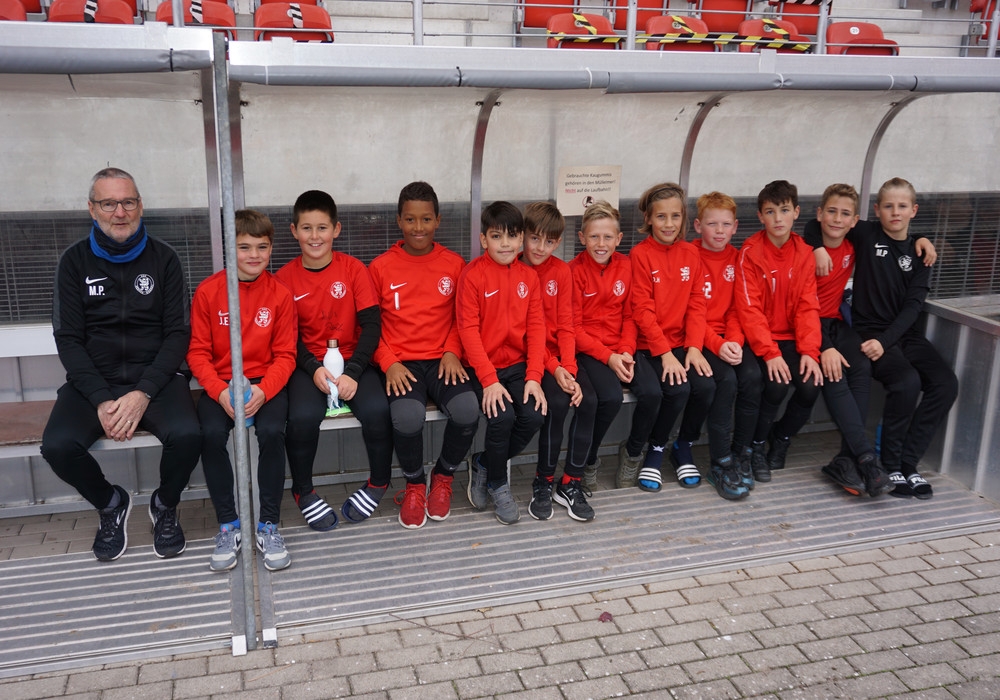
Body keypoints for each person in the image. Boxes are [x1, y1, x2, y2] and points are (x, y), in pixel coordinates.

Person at [41, 167, 201, 562]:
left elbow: (178, 334)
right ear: (92, 209)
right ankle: (110, 503)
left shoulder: (165, 259)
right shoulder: (73, 262)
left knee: (188, 435)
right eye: (109, 203)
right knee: (58, 446)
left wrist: (143, 392)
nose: (119, 212)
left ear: (140, 206)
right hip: (95, 382)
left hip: (156, 380)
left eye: (128, 202)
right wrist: (100, 398)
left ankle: (165, 505)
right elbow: (68, 339)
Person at [808, 178, 955, 500]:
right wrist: (818, 248)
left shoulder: (920, 253)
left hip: (901, 334)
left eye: (902, 206)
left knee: (946, 384)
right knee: (906, 382)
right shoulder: (867, 234)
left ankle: (908, 462)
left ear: (914, 210)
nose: (895, 212)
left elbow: (913, 307)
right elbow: (816, 223)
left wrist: (922, 238)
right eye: (888, 206)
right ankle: (889, 463)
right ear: (876, 210)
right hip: (868, 333)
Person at [275, 190, 392, 529]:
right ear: (294, 231)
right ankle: (303, 490)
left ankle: (379, 482)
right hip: (307, 366)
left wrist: (353, 371)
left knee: (377, 411)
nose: (315, 236)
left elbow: (371, 326)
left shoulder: (353, 270)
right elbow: (287, 337)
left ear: (336, 230)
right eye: (307, 228)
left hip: (354, 362)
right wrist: (313, 369)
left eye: (322, 228)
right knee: (302, 417)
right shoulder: (283, 279)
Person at [187, 209, 297, 572]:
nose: (254, 255)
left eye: (262, 247)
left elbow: (286, 354)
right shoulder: (209, 291)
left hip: (265, 383)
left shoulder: (280, 294)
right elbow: (198, 352)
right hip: (222, 384)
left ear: (271, 248)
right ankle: (228, 525)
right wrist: (219, 391)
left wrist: (264, 391)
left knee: (272, 431)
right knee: (210, 433)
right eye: (244, 247)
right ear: (229, 249)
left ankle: (268, 525)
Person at [369, 182, 480, 529]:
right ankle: (415, 484)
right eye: (410, 219)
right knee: (407, 417)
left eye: (426, 219)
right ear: (399, 221)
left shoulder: (454, 264)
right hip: (401, 364)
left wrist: (452, 350)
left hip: (443, 360)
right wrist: (389, 362)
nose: (418, 227)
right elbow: (369, 327)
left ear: (438, 221)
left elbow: (463, 318)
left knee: (468, 410)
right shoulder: (380, 267)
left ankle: (443, 476)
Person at [458, 201, 547, 525]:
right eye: (497, 236)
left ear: (521, 238)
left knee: (534, 415)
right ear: (484, 240)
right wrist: (489, 381)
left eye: (512, 236)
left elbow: (536, 328)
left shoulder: (529, 277)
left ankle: (484, 463)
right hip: (481, 368)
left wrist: (534, 376)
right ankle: (498, 483)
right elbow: (468, 331)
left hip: (517, 366)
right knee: (502, 416)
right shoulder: (472, 276)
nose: (506, 244)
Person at [735, 180, 823, 483]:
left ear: (796, 212)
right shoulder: (750, 252)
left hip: (793, 339)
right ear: (760, 216)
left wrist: (810, 352)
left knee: (811, 384)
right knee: (776, 384)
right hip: (760, 340)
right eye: (770, 212)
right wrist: (770, 353)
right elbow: (749, 310)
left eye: (784, 210)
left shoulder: (804, 253)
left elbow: (808, 307)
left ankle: (781, 437)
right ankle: (756, 447)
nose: (778, 218)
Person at [629, 182, 714, 493]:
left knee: (706, 386)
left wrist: (694, 347)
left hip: (681, 344)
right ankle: (656, 448)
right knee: (677, 390)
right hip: (648, 346)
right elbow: (641, 310)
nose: (668, 224)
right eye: (661, 216)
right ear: (649, 219)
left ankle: (684, 445)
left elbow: (697, 303)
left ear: (683, 218)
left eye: (675, 216)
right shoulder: (640, 254)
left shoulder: (691, 253)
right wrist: (665, 353)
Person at [571, 201, 660, 493]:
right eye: (594, 236)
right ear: (582, 238)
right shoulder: (573, 272)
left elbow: (630, 316)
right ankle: (589, 459)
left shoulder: (626, 266)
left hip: (622, 348)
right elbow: (574, 328)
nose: (601, 244)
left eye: (608, 237)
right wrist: (608, 357)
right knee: (609, 397)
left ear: (619, 239)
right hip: (590, 352)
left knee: (653, 393)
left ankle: (632, 453)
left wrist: (625, 351)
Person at [808, 184, 890, 498]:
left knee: (861, 365)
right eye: (831, 211)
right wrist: (824, 346)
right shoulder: (805, 249)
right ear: (820, 213)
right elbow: (809, 227)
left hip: (835, 321)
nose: (837, 219)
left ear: (854, 221)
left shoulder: (854, 244)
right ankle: (867, 459)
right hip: (805, 323)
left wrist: (922, 237)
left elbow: (892, 230)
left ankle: (847, 458)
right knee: (834, 371)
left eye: (845, 214)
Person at [682, 191, 762, 500]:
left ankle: (741, 453)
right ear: (698, 225)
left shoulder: (738, 258)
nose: (719, 231)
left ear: (735, 227)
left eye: (726, 224)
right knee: (725, 381)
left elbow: (737, 308)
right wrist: (717, 345)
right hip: (697, 338)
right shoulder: (689, 255)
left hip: (728, 338)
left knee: (753, 376)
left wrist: (734, 342)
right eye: (712, 224)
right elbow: (690, 312)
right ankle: (721, 461)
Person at [519, 202, 589, 522]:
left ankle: (569, 482)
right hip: (528, 356)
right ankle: (543, 481)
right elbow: (524, 334)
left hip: (558, 359)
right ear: (523, 235)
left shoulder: (561, 272)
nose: (540, 248)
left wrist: (569, 370)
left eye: (549, 241)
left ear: (558, 242)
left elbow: (566, 326)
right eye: (534, 238)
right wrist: (554, 367)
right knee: (556, 404)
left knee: (580, 399)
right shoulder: (515, 270)